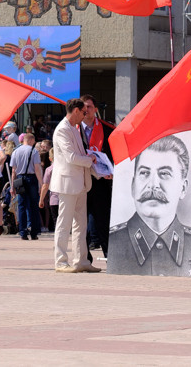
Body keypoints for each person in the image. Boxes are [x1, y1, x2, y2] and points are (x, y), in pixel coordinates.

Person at [109, 135, 191, 276]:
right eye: (144, 173)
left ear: (183, 188)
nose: (153, 185)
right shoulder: (115, 242)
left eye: (164, 173)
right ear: (133, 186)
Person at [50, 99, 96, 272]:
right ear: (76, 111)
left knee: (80, 224)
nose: (86, 115)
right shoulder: (62, 129)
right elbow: (71, 157)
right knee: (64, 223)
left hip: (80, 183)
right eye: (84, 112)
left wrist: (90, 159)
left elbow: (79, 155)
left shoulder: (74, 129)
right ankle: (61, 261)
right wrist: (90, 160)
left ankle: (81, 260)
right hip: (68, 182)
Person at [79, 94, 113, 261]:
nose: (86, 110)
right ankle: (86, 257)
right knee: (81, 220)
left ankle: (109, 255)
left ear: (96, 110)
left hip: (101, 181)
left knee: (103, 219)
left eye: (89, 107)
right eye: (83, 107)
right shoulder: (73, 130)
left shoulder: (108, 129)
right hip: (81, 180)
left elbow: (114, 154)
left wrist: (112, 170)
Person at [9, 132, 43, 240]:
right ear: (31, 140)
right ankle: (34, 232)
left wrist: (12, 185)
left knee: (22, 205)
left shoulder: (15, 151)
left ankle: (22, 232)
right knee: (33, 205)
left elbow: (13, 171)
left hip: (19, 178)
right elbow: (37, 168)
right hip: (31, 178)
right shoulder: (33, 151)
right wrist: (41, 183)